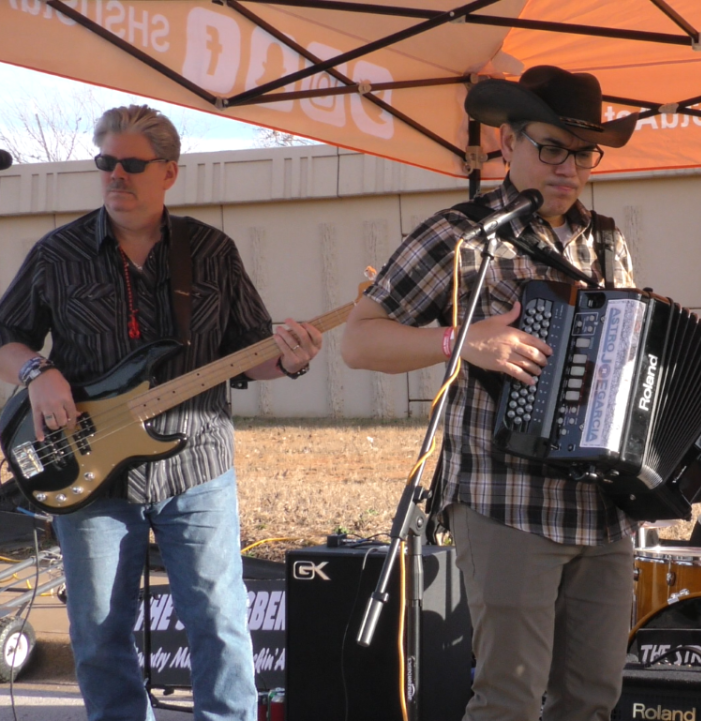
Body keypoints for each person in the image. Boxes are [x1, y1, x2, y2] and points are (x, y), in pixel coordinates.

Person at [0, 105, 323, 721]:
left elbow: (246, 354)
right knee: (98, 634)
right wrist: (37, 374)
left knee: (219, 622)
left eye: (132, 164)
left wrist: (289, 360)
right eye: (105, 163)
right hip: (90, 474)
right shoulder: (57, 253)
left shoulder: (211, 251)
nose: (116, 175)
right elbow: (5, 336)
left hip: (197, 465)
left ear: (169, 172)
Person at [341, 66, 642, 721]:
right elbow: (360, 340)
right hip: (504, 500)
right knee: (508, 696)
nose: (568, 166)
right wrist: (461, 340)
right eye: (551, 146)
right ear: (508, 142)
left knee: (593, 698)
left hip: (603, 509)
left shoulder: (609, 241)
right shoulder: (461, 234)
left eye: (583, 152)